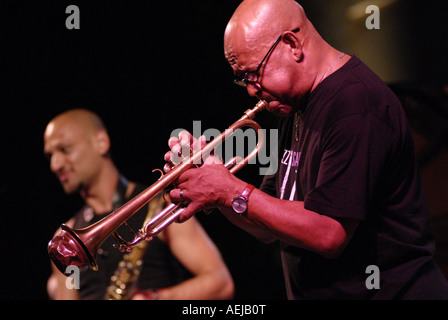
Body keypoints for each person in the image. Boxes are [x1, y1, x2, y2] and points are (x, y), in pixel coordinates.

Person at [163, 0, 448, 299]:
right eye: (242, 79)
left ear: (292, 44)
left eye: (254, 73)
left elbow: (328, 233)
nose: (250, 89)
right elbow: (267, 226)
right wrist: (213, 180)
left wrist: (229, 190)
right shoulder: (297, 103)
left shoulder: (356, 104)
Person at [44, 109, 234, 300]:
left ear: (101, 142)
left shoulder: (160, 207)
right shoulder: (65, 242)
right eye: (50, 155)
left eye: (64, 149)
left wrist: (155, 298)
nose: (55, 164)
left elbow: (220, 282)